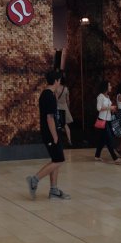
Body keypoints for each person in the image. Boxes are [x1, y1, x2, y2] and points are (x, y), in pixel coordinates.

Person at [26, 71, 70, 200]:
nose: (60, 83)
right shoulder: (48, 96)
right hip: (51, 133)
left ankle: (54, 190)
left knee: (56, 160)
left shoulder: (48, 94)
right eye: (59, 80)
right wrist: (55, 136)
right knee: (59, 160)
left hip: (51, 132)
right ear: (56, 81)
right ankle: (34, 180)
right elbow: (49, 118)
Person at [94, 80, 121, 164]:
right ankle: (115, 158)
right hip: (103, 120)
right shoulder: (100, 96)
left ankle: (97, 155)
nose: (111, 87)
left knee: (103, 140)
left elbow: (107, 108)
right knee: (109, 139)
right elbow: (98, 108)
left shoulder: (107, 96)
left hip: (108, 120)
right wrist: (110, 108)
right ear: (105, 87)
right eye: (109, 85)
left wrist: (112, 109)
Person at [56, 73, 73, 146]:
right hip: (65, 107)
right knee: (66, 125)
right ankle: (69, 140)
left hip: (58, 107)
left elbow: (56, 99)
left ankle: (57, 140)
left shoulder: (56, 88)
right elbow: (68, 100)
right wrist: (68, 108)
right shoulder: (66, 89)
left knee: (57, 125)